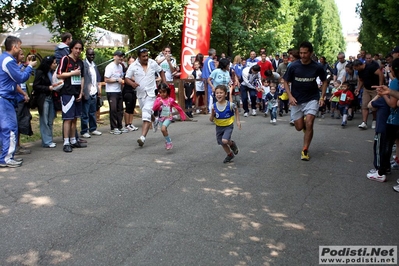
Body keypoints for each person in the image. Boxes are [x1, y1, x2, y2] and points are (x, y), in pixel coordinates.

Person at [283, 41, 327, 161]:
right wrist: (290, 96)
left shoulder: (317, 67)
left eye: (305, 53)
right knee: (298, 127)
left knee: (309, 122)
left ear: (311, 53)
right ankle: (303, 124)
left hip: (312, 98)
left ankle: (305, 149)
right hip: (297, 99)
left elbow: (325, 81)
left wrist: (322, 97)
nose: (302, 55)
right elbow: (285, 81)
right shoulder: (293, 66)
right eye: (301, 53)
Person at [0, 36, 36, 167]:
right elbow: (20, 78)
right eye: (19, 47)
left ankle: (4, 157)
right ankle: (7, 158)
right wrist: (30, 67)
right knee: (10, 128)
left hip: (4, 98)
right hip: (5, 99)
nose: (20, 49)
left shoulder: (3, 58)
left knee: (4, 129)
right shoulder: (9, 60)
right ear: (14, 47)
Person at [125, 48, 166, 147]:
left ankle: (142, 137)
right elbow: (126, 78)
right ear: (139, 57)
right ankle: (155, 120)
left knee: (146, 113)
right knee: (147, 112)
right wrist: (132, 83)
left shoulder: (152, 63)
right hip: (141, 94)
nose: (146, 58)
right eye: (143, 56)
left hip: (151, 93)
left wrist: (164, 83)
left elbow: (161, 71)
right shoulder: (133, 66)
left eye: (147, 55)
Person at [57, 39, 85, 153]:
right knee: (67, 119)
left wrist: (81, 91)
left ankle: (73, 140)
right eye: (76, 48)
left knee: (75, 118)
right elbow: (59, 74)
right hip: (67, 93)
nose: (78, 51)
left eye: (80, 49)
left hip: (77, 92)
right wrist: (72, 73)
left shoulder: (80, 62)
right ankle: (66, 142)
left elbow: (82, 77)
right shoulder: (65, 59)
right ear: (72, 48)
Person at [209, 85, 241, 163]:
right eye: (217, 93)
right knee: (222, 142)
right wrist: (212, 113)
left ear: (225, 94)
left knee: (224, 140)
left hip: (228, 126)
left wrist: (238, 121)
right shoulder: (214, 106)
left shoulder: (230, 105)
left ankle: (232, 144)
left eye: (221, 93)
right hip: (219, 126)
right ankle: (230, 154)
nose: (219, 94)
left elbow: (236, 110)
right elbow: (211, 120)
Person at [32, 55, 58, 148]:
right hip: (43, 98)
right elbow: (35, 86)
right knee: (44, 120)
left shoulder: (53, 72)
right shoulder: (40, 72)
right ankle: (47, 141)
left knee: (50, 119)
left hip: (52, 98)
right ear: (49, 64)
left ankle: (49, 139)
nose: (55, 64)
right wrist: (48, 88)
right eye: (54, 63)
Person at [152, 83, 187, 150]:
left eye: (164, 92)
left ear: (167, 91)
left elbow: (178, 107)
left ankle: (169, 142)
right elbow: (154, 108)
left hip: (168, 117)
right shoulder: (158, 99)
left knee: (163, 129)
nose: (162, 94)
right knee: (164, 130)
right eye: (160, 92)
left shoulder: (170, 100)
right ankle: (168, 140)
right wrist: (159, 104)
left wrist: (182, 115)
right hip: (161, 118)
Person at [353, 59, 384, 129]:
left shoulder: (370, 67)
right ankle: (364, 122)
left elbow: (380, 74)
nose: (355, 70)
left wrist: (380, 86)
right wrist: (358, 88)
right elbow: (361, 80)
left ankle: (374, 120)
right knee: (364, 105)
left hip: (375, 89)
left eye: (356, 68)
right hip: (366, 89)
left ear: (359, 65)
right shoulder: (360, 72)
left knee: (374, 106)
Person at [104, 50, 127, 135]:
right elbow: (106, 79)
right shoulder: (110, 67)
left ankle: (120, 126)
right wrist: (117, 80)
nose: (121, 58)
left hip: (118, 91)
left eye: (122, 56)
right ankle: (113, 127)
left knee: (120, 109)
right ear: (115, 56)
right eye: (119, 56)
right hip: (111, 91)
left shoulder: (121, 67)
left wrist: (121, 85)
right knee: (113, 110)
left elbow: (121, 78)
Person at [81, 48, 102, 138]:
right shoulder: (83, 64)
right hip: (86, 92)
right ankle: (84, 130)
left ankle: (93, 128)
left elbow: (97, 79)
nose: (92, 56)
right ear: (86, 54)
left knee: (92, 112)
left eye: (93, 54)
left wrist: (98, 91)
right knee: (85, 113)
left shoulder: (94, 65)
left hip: (94, 91)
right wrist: (82, 91)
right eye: (90, 54)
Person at [123, 56, 139, 131]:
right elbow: (128, 78)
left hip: (134, 91)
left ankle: (130, 123)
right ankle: (126, 124)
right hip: (127, 91)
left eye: (134, 61)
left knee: (132, 108)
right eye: (131, 61)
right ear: (128, 62)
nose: (132, 63)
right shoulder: (127, 70)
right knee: (128, 108)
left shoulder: (136, 70)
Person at [202, 48, 217, 113]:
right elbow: (212, 70)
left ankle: (208, 107)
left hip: (205, 78)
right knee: (210, 94)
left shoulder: (206, 60)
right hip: (209, 79)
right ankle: (210, 108)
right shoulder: (210, 61)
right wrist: (216, 66)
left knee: (207, 93)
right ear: (213, 54)